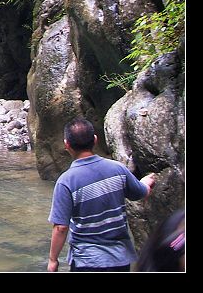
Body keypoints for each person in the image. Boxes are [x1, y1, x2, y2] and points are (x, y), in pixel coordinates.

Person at [47, 116, 156, 272]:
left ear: (67, 145)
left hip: (86, 261)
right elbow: (141, 193)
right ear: (95, 139)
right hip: (119, 259)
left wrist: (53, 260)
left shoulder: (66, 181)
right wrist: (146, 181)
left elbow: (61, 228)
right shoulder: (118, 169)